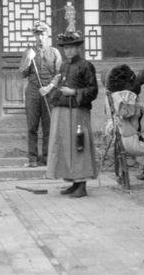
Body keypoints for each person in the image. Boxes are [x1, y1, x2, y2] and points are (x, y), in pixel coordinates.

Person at [40, 31, 98, 198]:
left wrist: (73, 92)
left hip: (78, 112)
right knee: (66, 146)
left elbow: (93, 90)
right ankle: (73, 182)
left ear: (78, 48)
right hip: (63, 111)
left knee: (79, 145)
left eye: (72, 47)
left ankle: (82, 185)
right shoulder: (64, 65)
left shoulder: (86, 66)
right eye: (66, 48)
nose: (68, 51)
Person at [104, 64, 144, 184]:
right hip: (140, 145)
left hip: (119, 140)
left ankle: (135, 170)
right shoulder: (129, 103)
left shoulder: (112, 99)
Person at [19, 21, 62, 167]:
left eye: (42, 34)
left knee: (48, 126)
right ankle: (32, 158)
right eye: (37, 34)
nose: (39, 37)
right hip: (32, 91)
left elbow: (59, 75)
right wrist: (28, 59)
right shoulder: (29, 51)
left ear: (47, 35)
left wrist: (49, 87)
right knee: (32, 126)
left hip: (49, 92)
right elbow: (23, 73)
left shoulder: (54, 52)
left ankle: (46, 158)